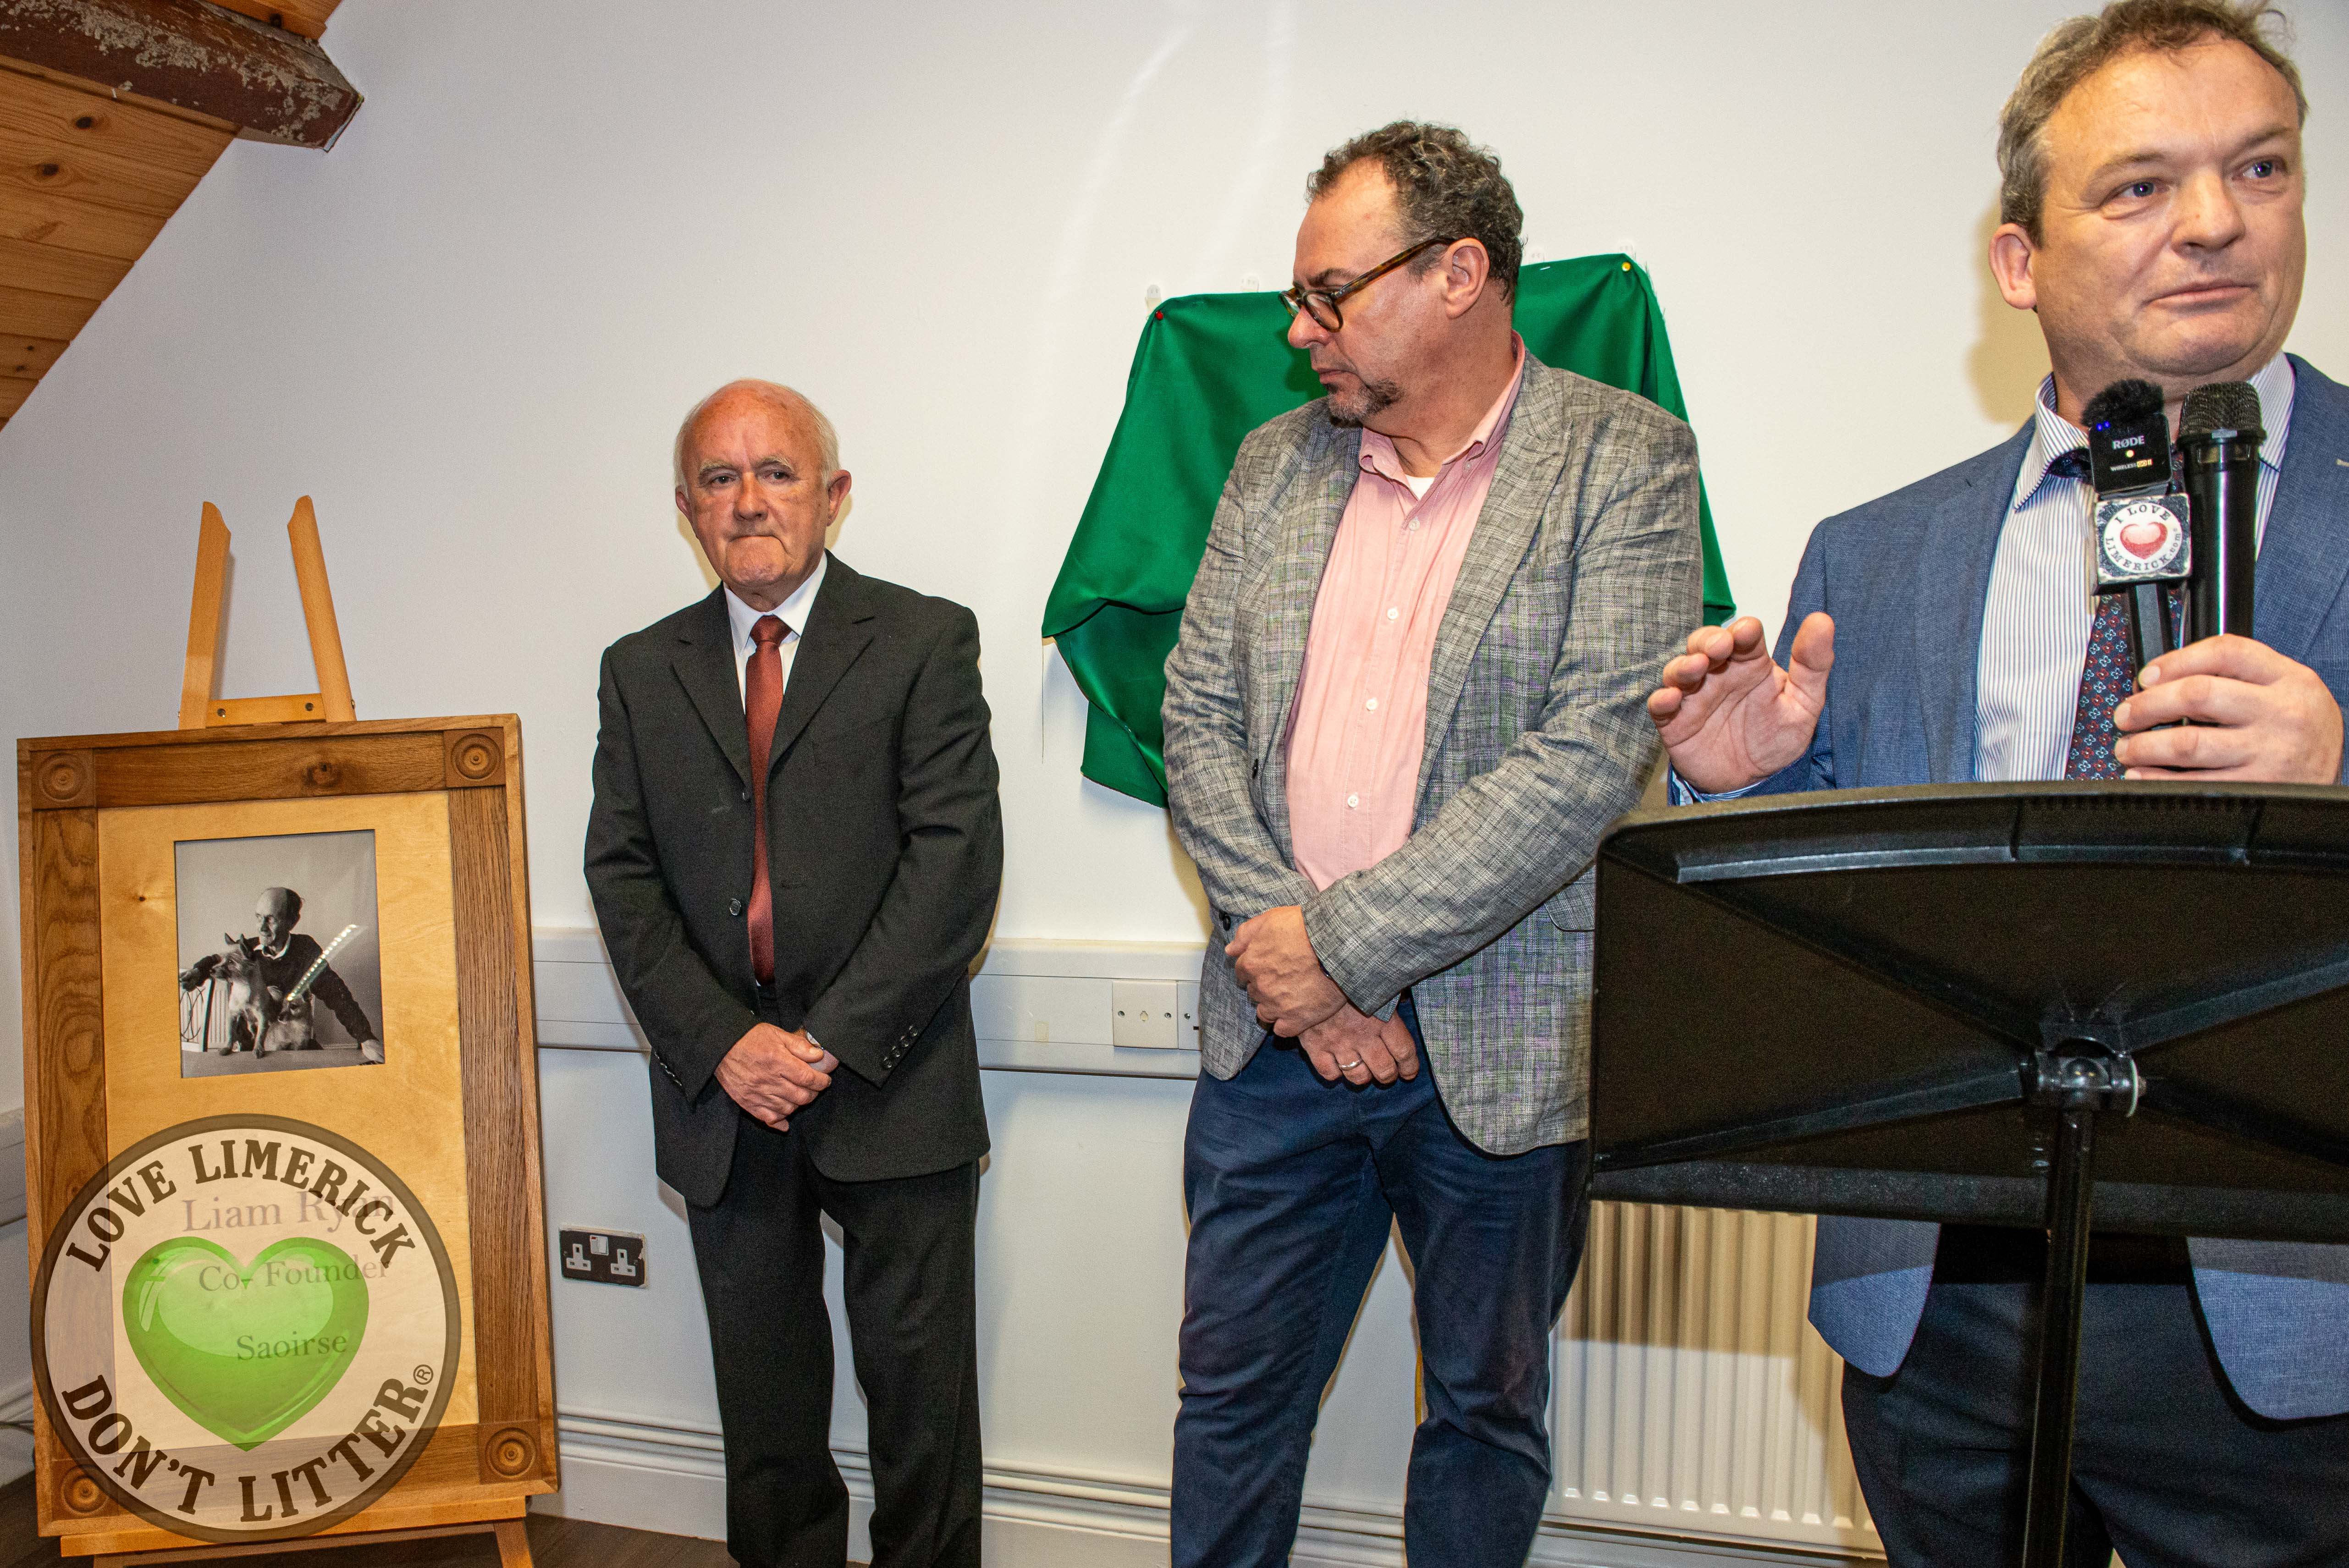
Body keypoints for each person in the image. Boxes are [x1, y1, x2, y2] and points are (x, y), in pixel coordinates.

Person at [1647, 4, 2349, 1561]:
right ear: (2018, 261)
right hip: (1941, 1314)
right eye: (2139, 185)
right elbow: (1819, 952)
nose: (2214, 221)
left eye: (2258, 169)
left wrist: (2339, 771)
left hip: (2294, 1318)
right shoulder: (1871, 554)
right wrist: (1732, 796)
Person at [1162, 122, 1700, 1567]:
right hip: (1273, 1045)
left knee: (1482, 1410)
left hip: (1502, 1050)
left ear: (1459, 273)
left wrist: (1341, 950)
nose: (1299, 330)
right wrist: (1296, 969)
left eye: (1329, 294)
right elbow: (1195, 714)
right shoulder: (1272, 466)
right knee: (1230, 1401)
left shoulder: (1623, 458)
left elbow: (1588, 759)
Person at [584, 380, 1002, 1568]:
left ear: (833, 494)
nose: (748, 500)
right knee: (765, 1422)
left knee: (923, 1416)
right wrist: (727, 1043)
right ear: (686, 508)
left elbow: (955, 864)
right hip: (725, 1097)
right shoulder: (640, 669)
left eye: (776, 472)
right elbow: (622, 873)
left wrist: (821, 1043)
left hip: (890, 1077)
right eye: (719, 478)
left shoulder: (923, 639)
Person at [178, 886, 380, 1058]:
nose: (262, 928)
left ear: (292, 922)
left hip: (292, 1048)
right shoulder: (249, 950)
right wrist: (198, 971)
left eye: (271, 919)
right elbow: (217, 960)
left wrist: (366, 1038)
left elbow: (337, 995)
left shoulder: (306, 951)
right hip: (251, 1052)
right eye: (259, 918)